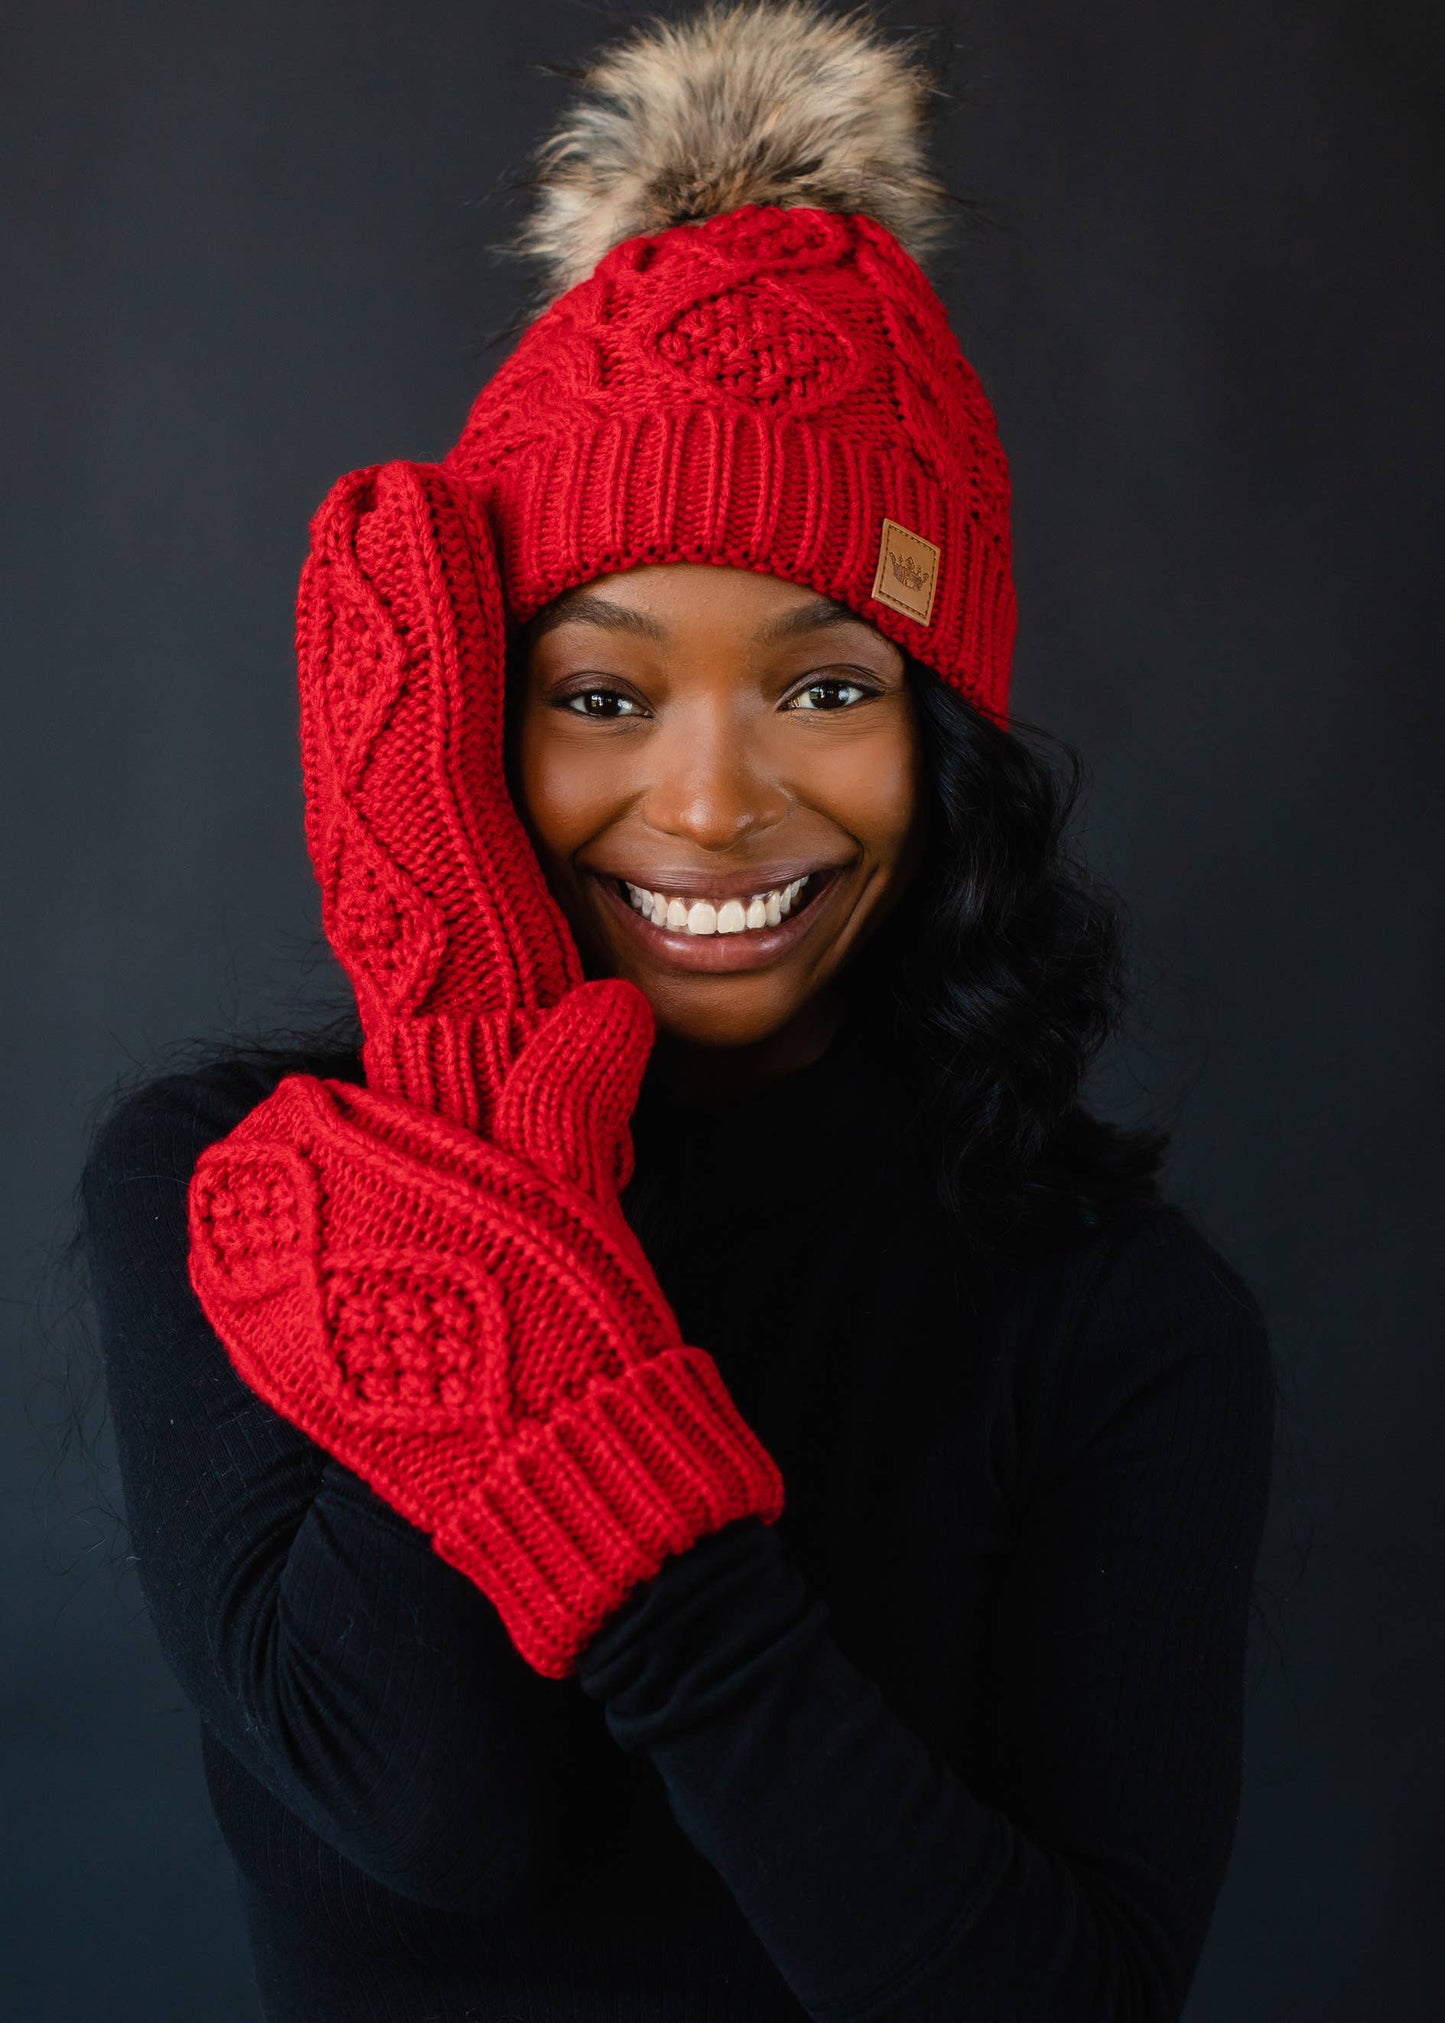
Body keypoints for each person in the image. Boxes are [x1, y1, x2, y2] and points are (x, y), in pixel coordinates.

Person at [78, 5, 1276, 2019]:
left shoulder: (1117, 1320)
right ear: (475, 720)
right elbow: (436, 1814)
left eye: (826, 686)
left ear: (942, 746)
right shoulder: (232, 1198)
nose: (713, 802)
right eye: (602, 693)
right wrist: (475, 1104)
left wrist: (641, 1533)